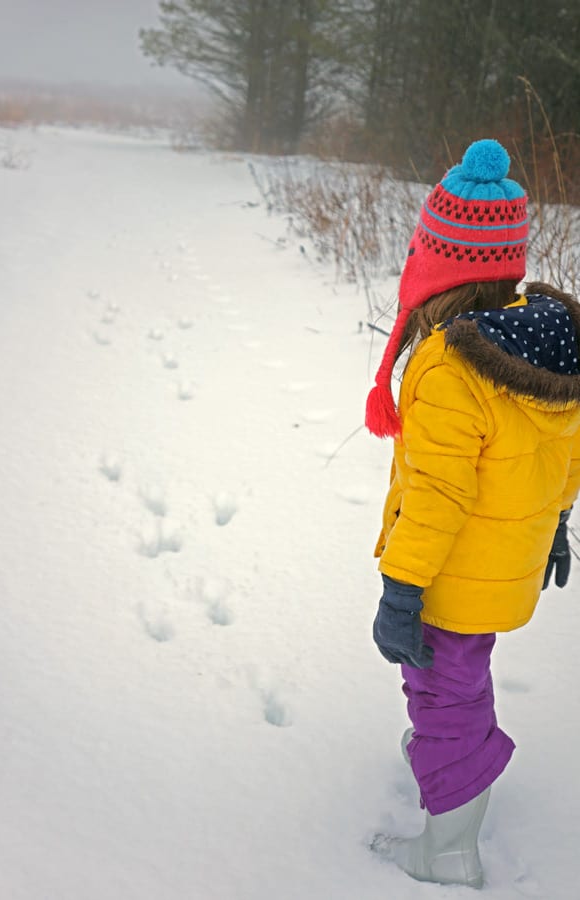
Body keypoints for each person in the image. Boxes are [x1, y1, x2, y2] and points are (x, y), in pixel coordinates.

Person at [366, 139, 580, 888]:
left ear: (439, 263)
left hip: (451, 577)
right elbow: (563, 453)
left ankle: (450, 846)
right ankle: (449, 747)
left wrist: (402, 586)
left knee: (441, 689)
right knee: (461, 674)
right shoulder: (543, 342)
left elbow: (438, 493)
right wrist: (556, 524)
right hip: (504, 566)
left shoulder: (453, 367)